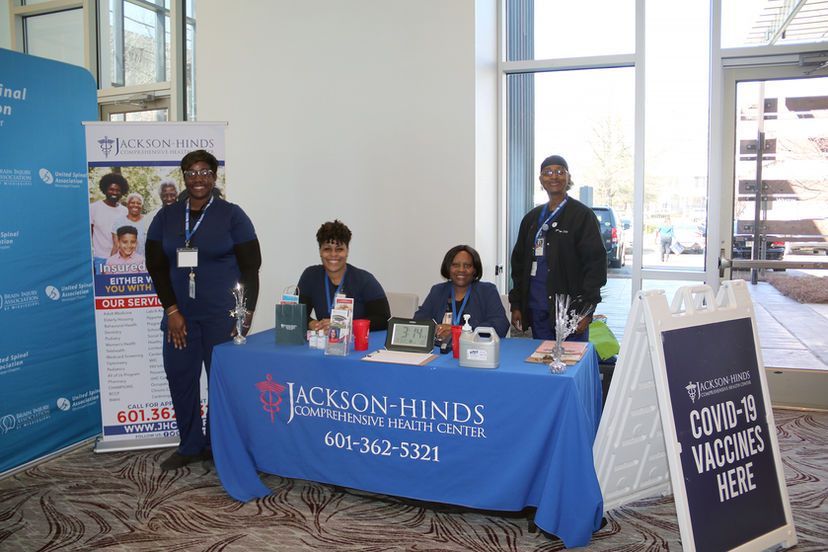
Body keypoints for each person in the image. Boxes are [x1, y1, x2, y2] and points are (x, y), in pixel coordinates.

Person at [146, 149, 261, 471]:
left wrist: (246, 313)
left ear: (214, 176)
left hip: (221, 317)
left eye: (205, 172)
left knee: (221, 382)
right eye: (191, 172)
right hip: (179, 320)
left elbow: (252, 267)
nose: (198, 178)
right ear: (184, 176)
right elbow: (155, 266)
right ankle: (190, 445)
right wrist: (171, 311)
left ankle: (217, 443)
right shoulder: (165, 217)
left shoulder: (232, 215)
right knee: (180, 379)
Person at [508, 155, 607, 341]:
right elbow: (519, 264)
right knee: (543, 361)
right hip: (537, 307)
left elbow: (595, 265)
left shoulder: (582, 216)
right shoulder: (531, 218)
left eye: (560, 172)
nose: (554, 177)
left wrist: (587, 309)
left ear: (568, 178)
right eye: (548, 172)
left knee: (571, 363)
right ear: (540, 179)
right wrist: (517, 305)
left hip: (571, 310)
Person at [298, 220, 390, 332]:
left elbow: (383, 319)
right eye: (327, 249)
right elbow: (296, 313)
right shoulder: (310, 276)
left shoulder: (364, 280)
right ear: (320, 251)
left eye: (339, 249)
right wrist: (313, 324)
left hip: (357, 344)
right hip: (323, 343)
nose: (333, 254)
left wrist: (343, 324)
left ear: (347, 251)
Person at [414, 245, 509, 339]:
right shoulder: (437, 291)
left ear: (474, 270)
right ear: (448, 268)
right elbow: (419, 321)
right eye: (455, 265)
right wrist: (436, 330)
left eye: (467, 266)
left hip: (475, 349)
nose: (461, 270)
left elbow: (501, 325)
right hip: (441, 350)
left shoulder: (487, 291)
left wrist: (459, 330)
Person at [90, 173, 128, 273]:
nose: (114, 192)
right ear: (105, 190)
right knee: (102, 287)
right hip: (101, 258)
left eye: (118, 190)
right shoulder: (93, 208)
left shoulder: (124, 211)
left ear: (122, 192)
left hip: (121, 258)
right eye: (111, 189)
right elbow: (89, 233)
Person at [111, 192, 148, 256]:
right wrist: (110, 263)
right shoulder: (119, 222)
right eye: (132, 202)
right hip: (125, 263)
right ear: (127, 205)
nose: (135, 205)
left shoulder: (148, 221)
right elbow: (116, 246)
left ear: (141, 206)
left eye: (139, 203)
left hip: (145, 262)